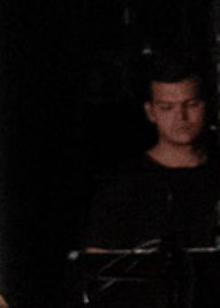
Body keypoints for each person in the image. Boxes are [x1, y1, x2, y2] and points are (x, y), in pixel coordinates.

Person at [80, 58, 216, 255]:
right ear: (151, 112)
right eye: (167, 107)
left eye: (192, 104)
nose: (181, 116)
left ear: (208, 105)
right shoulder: (124, 183)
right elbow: (99, 268)